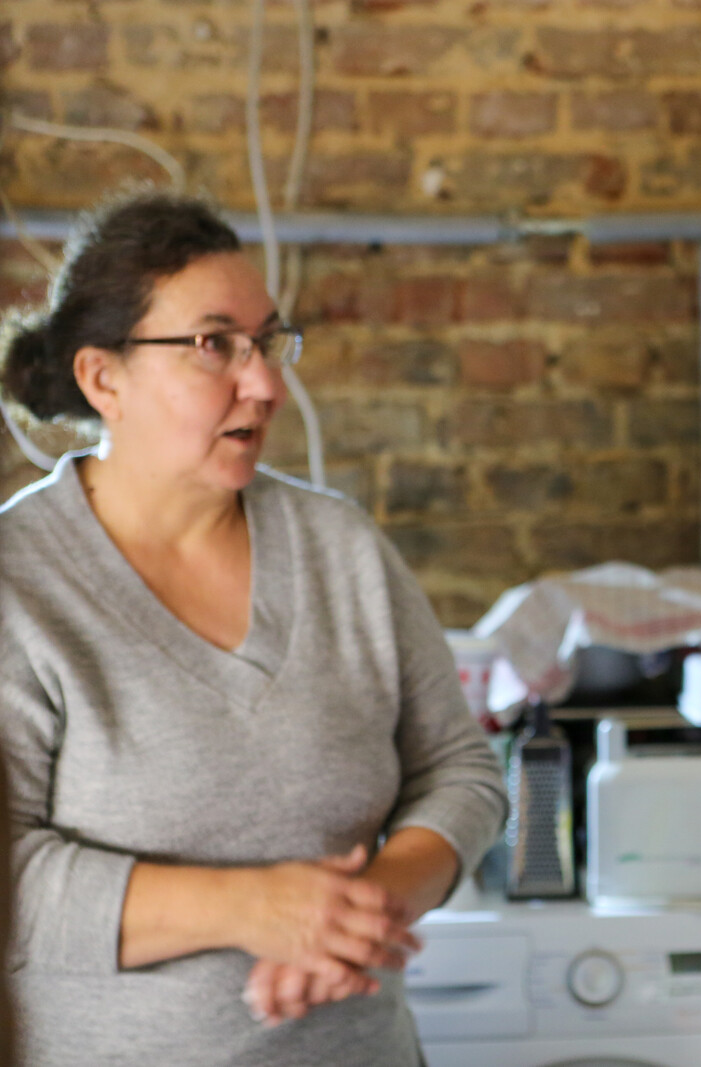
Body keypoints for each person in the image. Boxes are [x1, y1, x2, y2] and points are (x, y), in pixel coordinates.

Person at [0, 189, 508, 1065]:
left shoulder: (339, 545)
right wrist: (254, 908)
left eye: (267, 341)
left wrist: (367, 907)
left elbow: (458, 770)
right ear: (102, 377)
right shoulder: (21, 582)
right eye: (212, 345)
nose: (265, 382)